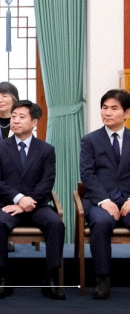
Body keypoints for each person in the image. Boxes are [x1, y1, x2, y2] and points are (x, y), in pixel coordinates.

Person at [0, 100, 65, 300]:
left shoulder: (46, 150)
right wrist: (19, 198)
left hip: (37, 205)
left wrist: (29, 202)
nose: (16, 120)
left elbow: (47, 183)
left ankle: (51, 278)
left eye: (22, 117)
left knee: (55, 223)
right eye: (14, 116)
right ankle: (3, 278)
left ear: (34, 122)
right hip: (7, 204)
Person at [80, 88, 130, 299]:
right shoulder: (90, 140)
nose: (107, 113)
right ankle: (103, 279)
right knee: (100, 223)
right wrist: (104, 200)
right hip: (100, 201)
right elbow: (87, 174)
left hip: (128, 200)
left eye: (114, 108)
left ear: (126, 113)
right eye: (104, 108)